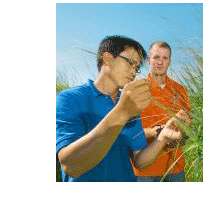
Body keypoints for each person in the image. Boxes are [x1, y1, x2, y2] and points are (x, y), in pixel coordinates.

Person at [56, 36, 187, 182]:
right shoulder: (70, 99)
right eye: (130, 62)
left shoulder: (130, 104)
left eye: (137, 67)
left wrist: (163, 138)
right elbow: (71, 166)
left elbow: (139, 161)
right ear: (107, 58)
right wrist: (122, 112)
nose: (133, 71)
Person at [132, 41, 191, 182]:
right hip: (144, 171)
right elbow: (128, 133)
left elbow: (188, 130)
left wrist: (184, 134)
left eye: (165, 58)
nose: (160, 62)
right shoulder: (135, 89)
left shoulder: (181, 90)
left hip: (175, 169)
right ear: (148, 60)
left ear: (169, 61)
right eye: (156, 57)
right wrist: (156, 132)